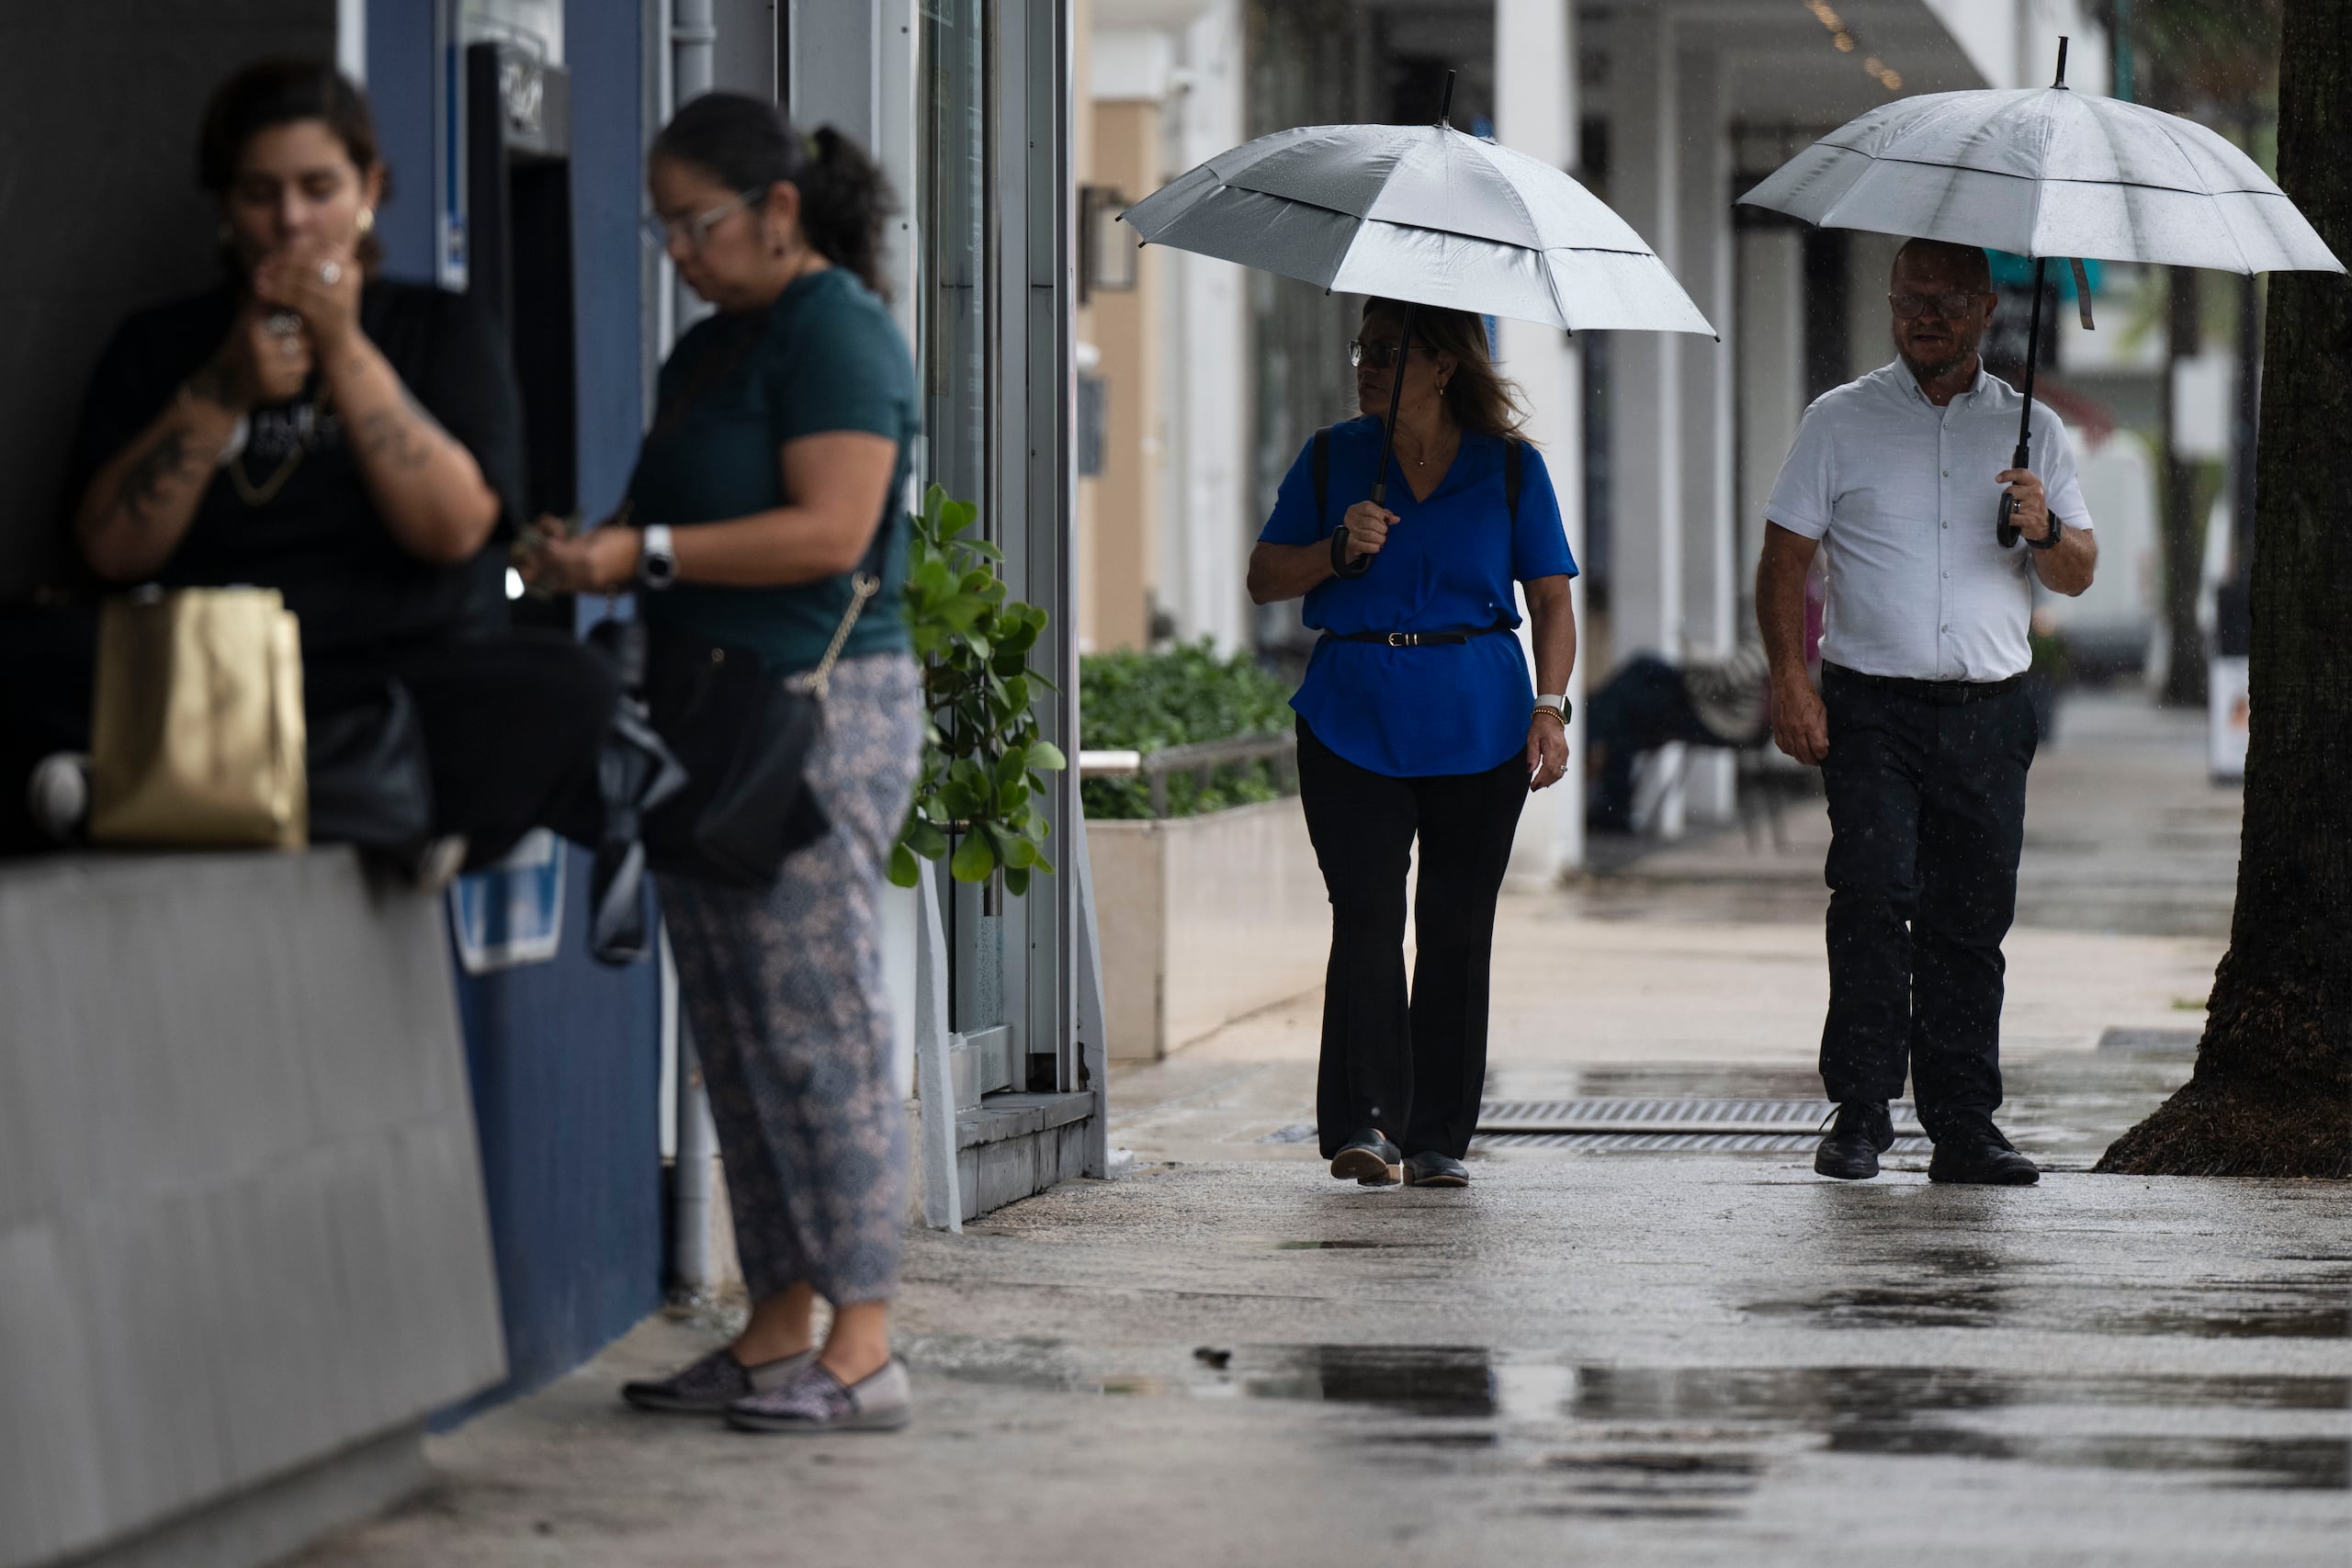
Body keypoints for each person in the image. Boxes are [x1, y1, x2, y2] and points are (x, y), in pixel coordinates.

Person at [521, 95, 922, 1435]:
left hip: (815, 710)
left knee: (818, 1023)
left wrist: (638, 555)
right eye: (664, 229)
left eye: (696, 223)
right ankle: (773, 1327)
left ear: (778, 210)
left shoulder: (838, 332)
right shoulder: (708, 348)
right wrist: (590, 549)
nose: (679, 251)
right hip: (702, 707)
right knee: (735, 1032)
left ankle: (864, 1341)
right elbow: (663, 515)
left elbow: (829, 532)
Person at [62, 60, 611, 876]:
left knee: (572, 688)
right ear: (225, 205)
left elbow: (455, 529)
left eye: (318, 189)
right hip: (208, 676)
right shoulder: (159, 343)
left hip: (385, 675)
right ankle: (363, 802)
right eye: (260, 194)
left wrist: (344, 346)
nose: (290, 220)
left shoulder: (438, 329)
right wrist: (221, 390)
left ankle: (208, 791)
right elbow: (110, 550)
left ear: (368, 190)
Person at [1757, 237, 2098, 1187]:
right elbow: (1783, 557)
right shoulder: (1839, 420)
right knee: (1871, 896)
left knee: (1970, 918)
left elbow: (2078, 572)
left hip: (1990, 711)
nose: (1925, 317)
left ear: (1988, 309)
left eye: (1947, 301)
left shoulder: (2033, 430)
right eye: (1910, 299)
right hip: (1872, 708)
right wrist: (1789, 678)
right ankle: (1861, 1110)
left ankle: (1964, 1123)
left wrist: (2045, 527)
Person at [1248, 299, 1577, 1190]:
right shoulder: (1331, 456)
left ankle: (1437, 1136)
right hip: (1351, 712)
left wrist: (1550, 708)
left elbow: (1551, 598)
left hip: (1481, 717)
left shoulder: (1510, 469)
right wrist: (1335, 549)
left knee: (1456, 928)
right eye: (1365, 348)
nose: (1369, 365)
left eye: (1390, 351)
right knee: (1365, 916)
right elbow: (1264, 576)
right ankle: (1366, 1122)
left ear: (1443, 365)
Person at [1584, 642, 1771, 834]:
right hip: (1718, 712)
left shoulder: (1767, 644)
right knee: (1626, 716)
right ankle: (1614, 809)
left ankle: (1584, 736)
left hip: (1718, 718)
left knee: (1636, 682)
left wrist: (1692, 663)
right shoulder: (1768, 648)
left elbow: (1723, 679)